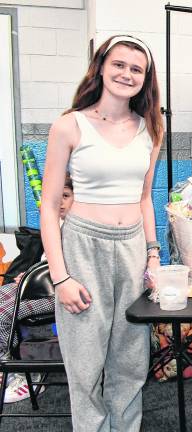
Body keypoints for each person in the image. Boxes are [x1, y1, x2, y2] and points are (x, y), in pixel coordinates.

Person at [40, 35, 163, 431]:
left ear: (146, 79)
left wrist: (154, 256)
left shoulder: (151, 129)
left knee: (130, 363)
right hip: (82, 247)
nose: (127, 74)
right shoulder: (69, 125)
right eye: (119, 65)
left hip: (131, 250)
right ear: (101, 68)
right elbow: (48, 206)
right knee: (86, 365)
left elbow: (145, 200)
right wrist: (61, 278)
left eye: (136, 69)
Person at [0, 175, 74, 403]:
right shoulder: (53, 225)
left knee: (5, 313)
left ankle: (19, 368)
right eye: (56, 197)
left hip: (59, 294)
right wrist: (28, 274)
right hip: (38, 287)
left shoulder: (77, 229)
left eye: (66, 196)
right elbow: (45, 262)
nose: (60, 202)